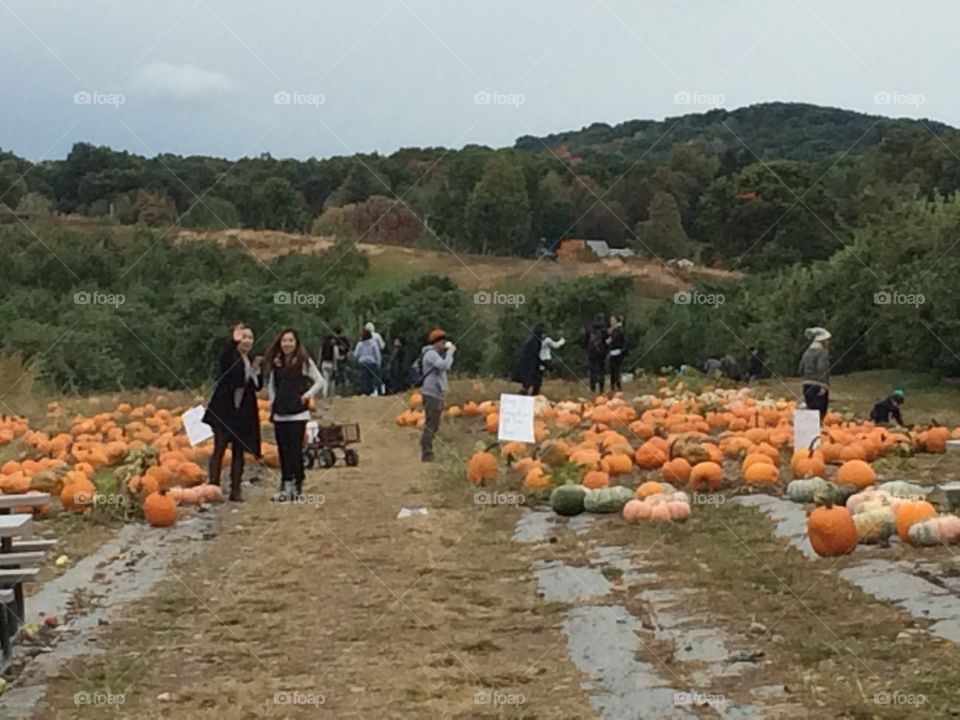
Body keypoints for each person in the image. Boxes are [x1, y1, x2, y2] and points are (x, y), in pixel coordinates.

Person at [203, 324, 262, 502]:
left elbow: (258, 386)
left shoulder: (252, 359)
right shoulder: (230, 355)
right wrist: (232, 340)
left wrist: (256, 373)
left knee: (239, 451)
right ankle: (213, 487)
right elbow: (226, 366)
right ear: (237, 339)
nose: (247, 341)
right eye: (244, 337)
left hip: (243, 411)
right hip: (225, 409)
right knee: (219, 448)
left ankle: (235, 489)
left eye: (250, 338)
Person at [265, 329, 325, 501]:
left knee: (295, 450)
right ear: (280, 342)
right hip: (280, 414)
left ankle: (297, 483)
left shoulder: (303, 362)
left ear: (296, 343)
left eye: (290, 340)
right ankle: (285, 483)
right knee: (283, 450)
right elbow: (272, 385)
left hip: (298, 414)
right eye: (284, 340)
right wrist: (273, 402)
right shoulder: (277, 362)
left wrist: (306, 396)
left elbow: (320, 381)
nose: (287, 344)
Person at [419, 328, 456, 462]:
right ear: (436, 342)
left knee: (435, 422)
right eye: (442, 341)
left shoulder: (436, 354)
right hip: (431, 392)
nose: (444, 344)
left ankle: (427, 447)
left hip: (437, 392)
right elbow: (444, 365)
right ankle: (426, 450)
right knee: (431, 422)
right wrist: (450, 353)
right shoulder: (431, 354)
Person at [799, 327, 831, 421]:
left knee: (810, 411)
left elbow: (800, 369)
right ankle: (818, 432)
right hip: (818, 385)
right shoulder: (822, 353)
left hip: (806, 384)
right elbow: (822, 368)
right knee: (820, 412)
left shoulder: (806, 353)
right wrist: (824, 386)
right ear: (823, 341)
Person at [512, 325, 545, 395]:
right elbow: (534, 354)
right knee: (532, 381)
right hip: (531, 365)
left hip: (532, 365)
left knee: (534, 381)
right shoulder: (534, 341)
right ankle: (528, 394)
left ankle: (531, 393)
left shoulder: (534, 340)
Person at [581, 314, 608, 394]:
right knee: (601, 371)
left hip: (592, 353)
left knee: (592, 371)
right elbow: (607, 342)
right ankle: (601, 389)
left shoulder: (589, 329)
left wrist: (586, 349)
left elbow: (585, 342)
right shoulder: (604, 330)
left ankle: (592, 388)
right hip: (601, 353)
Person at [353, 328, 382, 396]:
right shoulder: (374, 343)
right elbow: (377, 354)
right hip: (372, 362)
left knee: (364, 378)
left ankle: (365, 391)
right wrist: (378, 362)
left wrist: (357, 360)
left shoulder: (360, 344)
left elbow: (355, 354)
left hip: (362, 362)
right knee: (373, 377)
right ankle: (374, 391)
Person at [365, 322, 387, 395]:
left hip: (366, 359)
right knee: (377, 375)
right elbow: (382, 346)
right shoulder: (377, 336)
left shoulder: (364, 337)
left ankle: (369, 391)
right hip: (376, 357)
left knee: (368, 376)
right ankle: (379, 390)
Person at [319, 330, 341, 399]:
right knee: (332, 379)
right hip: (331, 364)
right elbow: (336, 357)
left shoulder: (323, 346)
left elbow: (320, 355)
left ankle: (324, 394)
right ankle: (332, 394)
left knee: (325, 379)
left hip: (324, 364)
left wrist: (319, 363)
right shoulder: (334, 347)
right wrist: (335, 367)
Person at [607, 315, 626, 391]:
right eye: (610, 321)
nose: (611, 322)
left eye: (613, 320)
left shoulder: (619, 330)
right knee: (612, 371)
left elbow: (621, 340)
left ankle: (618, 386)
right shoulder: (611, 330)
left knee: (616, 371)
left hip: (618, 351)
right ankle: (613, 387)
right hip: (612, 351)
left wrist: (612, 340)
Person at [333, 327, 351, 396]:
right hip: (344, 359)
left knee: (336, 377)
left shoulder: (335, 340)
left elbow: (334, 351)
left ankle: (338, 392)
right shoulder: (345, 339)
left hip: (336, 360)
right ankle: (345, 392)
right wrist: (345, 355)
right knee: (344, 376)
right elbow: (348, 349)